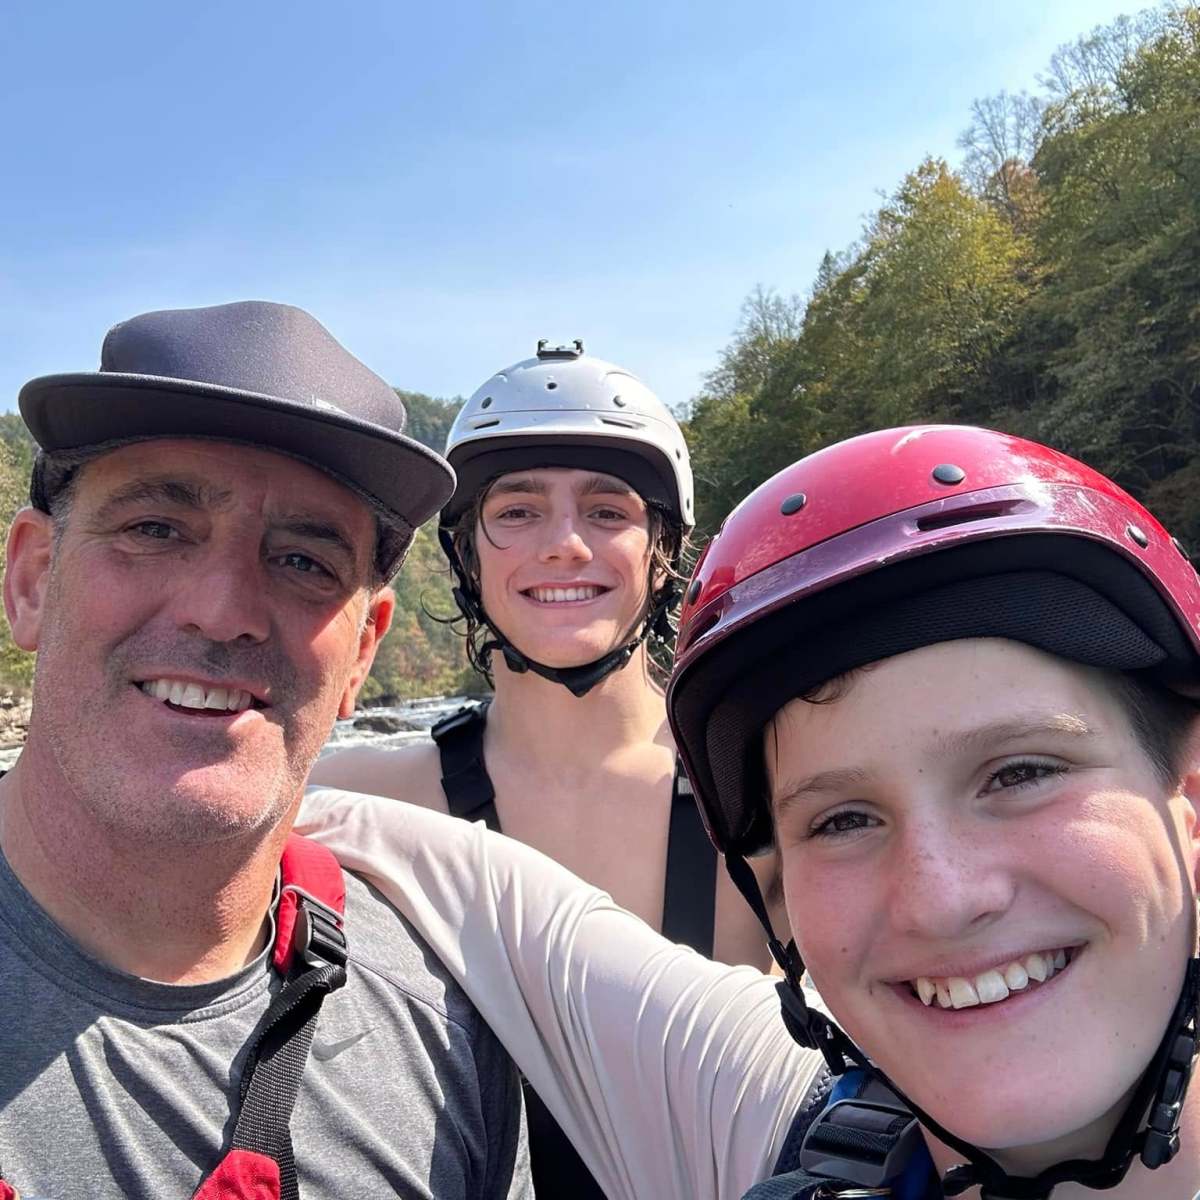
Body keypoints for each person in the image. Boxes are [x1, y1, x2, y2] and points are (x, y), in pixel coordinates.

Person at [301, 423, 1200, 1199]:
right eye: (842, 819)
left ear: (1189, 791)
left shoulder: (760, 1101)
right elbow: (519, 913)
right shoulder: (785, 1118)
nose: (941, 898)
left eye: (1023, 773)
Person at [0, 301, 529, 1199]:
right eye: (156, 529)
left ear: (364, 652)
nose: (224, 609)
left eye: (302, 562)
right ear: (33, 580)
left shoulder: (448, 1035)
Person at [310, 342, 784, 1194]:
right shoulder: (350, 798)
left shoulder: (769, 795)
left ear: (663, 551)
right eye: (518, 512)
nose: (565, 544)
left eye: (608, 511)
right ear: (468, 556)